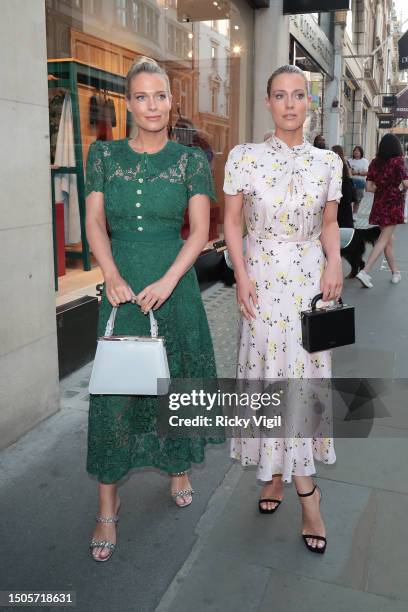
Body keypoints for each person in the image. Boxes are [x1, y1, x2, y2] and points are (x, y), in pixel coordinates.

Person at [85, 57, 224, 562]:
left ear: (171, 101)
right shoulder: (101, 154)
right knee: (115, 394)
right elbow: (95, 223)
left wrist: (168, 281)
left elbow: (203, 230)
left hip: (175, 288)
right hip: (121, 292)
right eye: (141, 96)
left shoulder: (190, 162)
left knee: (176, 383)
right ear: (128, 103)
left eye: (160, 96)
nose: (151, 105)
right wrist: (112, 276)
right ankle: (107, 501)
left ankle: (178, 466)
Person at [223, 64, 343, 554]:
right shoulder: (243, 157)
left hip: (311, 282)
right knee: (270, 377)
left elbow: (330, 223)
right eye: (280, 95)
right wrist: (241, 274)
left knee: (304, 379)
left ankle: (305, 489)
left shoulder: (327, 163)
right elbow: (232, 223)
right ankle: (279, 474)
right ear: (267, 102)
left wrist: (335, 261)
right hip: (262, 282)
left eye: (298, 95)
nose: (290, 103)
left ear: (309, 103)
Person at [356, 133, 408, 288]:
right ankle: (365, 271)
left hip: (379, 204)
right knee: (384, 240)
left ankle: (395, 272)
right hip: (393, 205)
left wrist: (382, 188)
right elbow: (406, 183)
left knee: (388, 241)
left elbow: (369, 187)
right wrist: (397, 188)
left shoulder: (375, 162)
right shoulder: (399, 161)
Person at [332, 144, 356, 229]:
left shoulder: (336, 162)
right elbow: (350, 176)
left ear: (336, 152)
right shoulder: (346, 162)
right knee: (346, 214)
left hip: (340, 189)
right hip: (346, 189)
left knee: (339, 214)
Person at [348, 146, 369, 216]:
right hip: (350, 182)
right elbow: (348, 171)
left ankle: (354, 214)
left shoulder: (364, 161)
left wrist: (357, 173)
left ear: (361, 152)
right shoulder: (349, 161)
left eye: (358, 151)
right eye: (355, 150)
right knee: (349, 199)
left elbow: (366, 172)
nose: (356, 152)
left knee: (357, 200)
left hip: (360, 182)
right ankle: (349, 214)